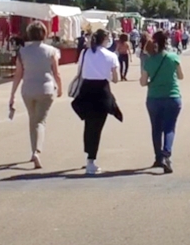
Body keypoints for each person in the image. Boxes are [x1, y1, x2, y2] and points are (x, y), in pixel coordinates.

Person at [8, 22, 63, 169]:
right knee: (40, 121)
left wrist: (12, 94)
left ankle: (34, 149)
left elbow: (18, 75)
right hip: (46, 88)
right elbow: (56, 72)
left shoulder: (23, 52)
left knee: (33, 120)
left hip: (28, 90)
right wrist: (60, 88)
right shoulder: (51, 51)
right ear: (44, 34)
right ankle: (37, 151)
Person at [73, 29, 122, 175]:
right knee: (97, 127)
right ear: (105, 39)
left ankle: (89, 155)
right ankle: (91, 160)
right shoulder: (111, 56)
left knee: (89, 125)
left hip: (86, 90)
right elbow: (116, 79)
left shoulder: (85, 53)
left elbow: (79, 71)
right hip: (102, 91)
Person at [141, 30, 184, 174]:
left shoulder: (149, 60)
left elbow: (142, 82)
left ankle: (158, 157)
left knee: (156, 128)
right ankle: (166, 154)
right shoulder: (173, 57)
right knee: (169, 128)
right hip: (172, 96)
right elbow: (181, 76)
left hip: (154, 97)